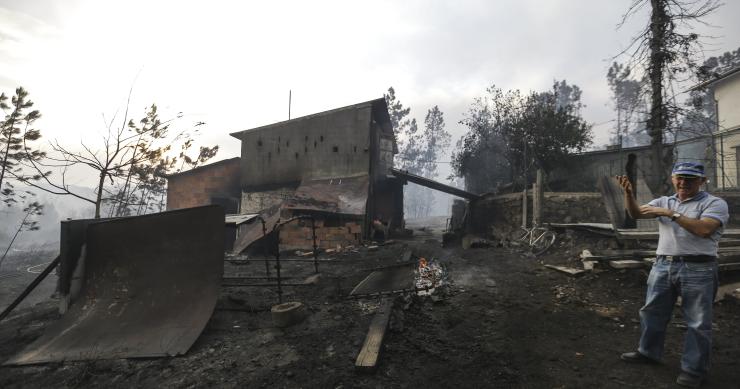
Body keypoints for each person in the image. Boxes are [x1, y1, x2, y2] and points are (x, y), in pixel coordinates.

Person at [616, 162, 729, 388]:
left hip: (699, 268)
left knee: (697, 322)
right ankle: (648, 352)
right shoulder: (663, 201)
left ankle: (693, 370)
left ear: (702, 181)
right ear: (672, 178)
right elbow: (637, 213)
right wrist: (629, 195)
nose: (684, 182)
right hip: (663, 265)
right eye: (679, 177)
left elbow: (704, 230)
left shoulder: (714, 203)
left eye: (690, 178)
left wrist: (671, 214)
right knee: (652, 313)